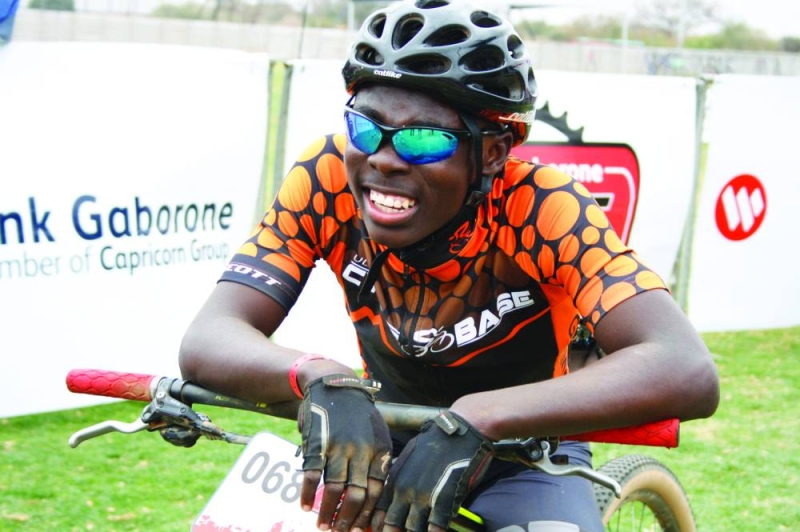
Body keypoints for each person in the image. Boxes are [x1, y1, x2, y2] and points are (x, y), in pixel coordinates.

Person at [178, 1, 720, 531]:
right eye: (365, 128)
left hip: (525, 454)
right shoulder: (327, 176)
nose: (384, 158)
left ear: (492, 152)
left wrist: (478, 417)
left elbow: (684, 366)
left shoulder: (543, 205)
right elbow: (209, 338)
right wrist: (318, 376)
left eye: (423, 139)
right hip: (386, 432)